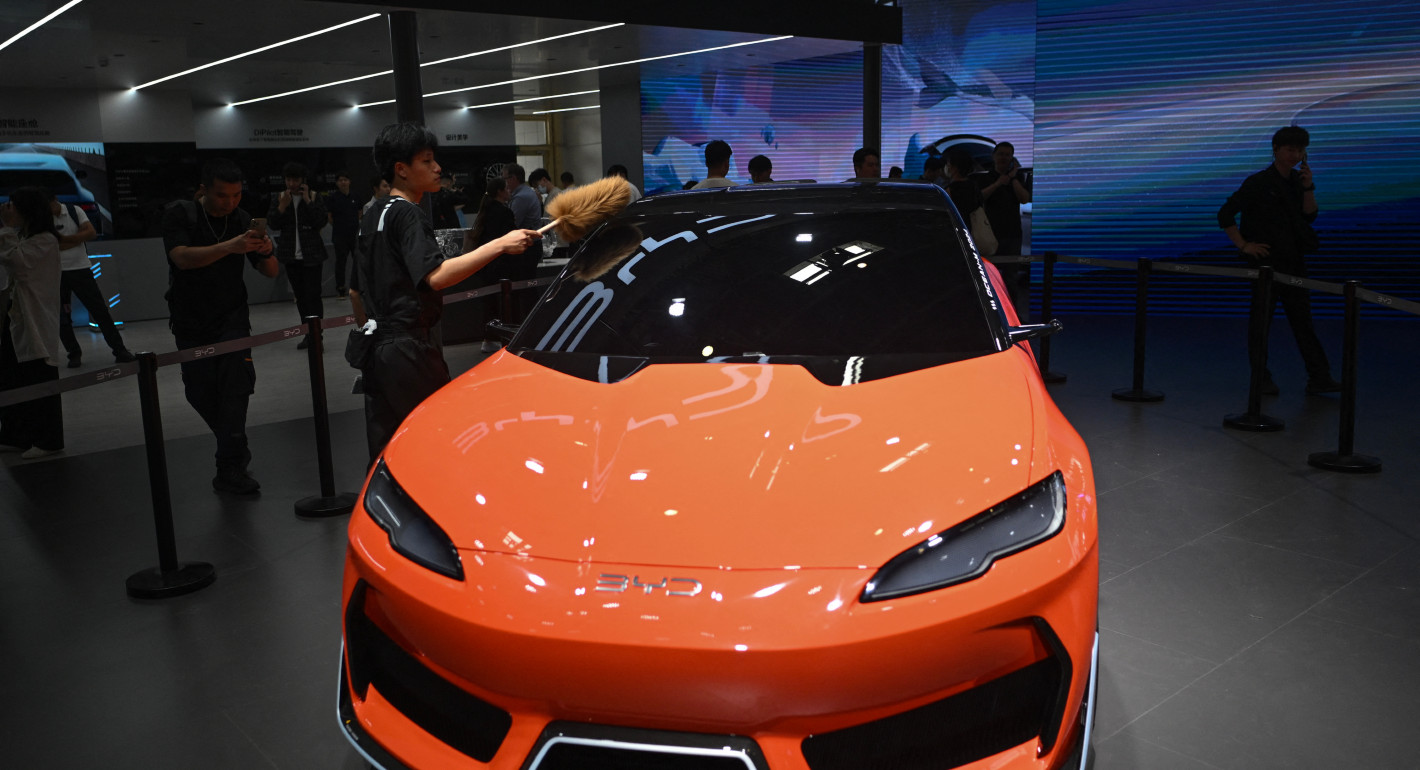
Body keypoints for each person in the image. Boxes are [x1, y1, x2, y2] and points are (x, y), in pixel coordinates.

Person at [349, 123, 541, 464]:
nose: (437, 168)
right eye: (426, 161)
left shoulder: (372, 213)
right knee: (432, 442)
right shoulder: (408, 213)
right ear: (402, 170)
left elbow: (355, 292)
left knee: (386, 452)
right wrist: (500, 244)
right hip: (408, 347)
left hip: (377, 349)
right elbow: (436, 277)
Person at [162, 159, 278, 494]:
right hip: (190, 318)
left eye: (236, 194)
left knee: (235, 390)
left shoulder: (242, 220)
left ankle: (230, 465)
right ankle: (234, 448)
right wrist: (232, 246)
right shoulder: (181, 214)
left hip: (232, 319)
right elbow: (181, 258)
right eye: (221, 195)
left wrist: (267, 249)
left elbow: (270, 271)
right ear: (203, 190)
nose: (230, 202)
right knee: (198, 391)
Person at [1218, 125, 1339, 395]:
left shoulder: (1298, 181)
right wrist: (1244, 245)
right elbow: (1225, 214)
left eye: (1299, 150)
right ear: (1276, 149)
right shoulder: (1258, 182)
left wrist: (1308, 186)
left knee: (1303, 322)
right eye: (1290, 149)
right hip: (1265, 264)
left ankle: (1319, 376)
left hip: (1294, 260)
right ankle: (1261, 377)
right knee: (1261, 325)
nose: (1295, 155)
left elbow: (1309, 216)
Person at [0, 187, 64, 459]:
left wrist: (4, 229)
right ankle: (17, 435)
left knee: (39, 377)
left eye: (11, 205)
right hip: (18, 320)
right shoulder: (25, 236)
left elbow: (18, 263)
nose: (6, 209)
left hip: (35, 320)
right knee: (12, 377)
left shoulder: (45, 240)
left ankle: (49, 439)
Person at [49, 193, 133, 366]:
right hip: (55, 272)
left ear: (54, 200)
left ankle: (119, 349)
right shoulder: (41, 217)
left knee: (100, 311)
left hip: (80, 268)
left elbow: (91, 233)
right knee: (62, 317)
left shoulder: (73, 210)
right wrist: (77, 239)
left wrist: (63, 240)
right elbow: (48, 245)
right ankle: (74, 354)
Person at [267, 162, 327, 349]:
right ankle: (307, 334)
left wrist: (308, 200)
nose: (292, 183)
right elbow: (273, 223)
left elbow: (321, 221)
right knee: (300, 297)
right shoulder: (279, 198)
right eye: (289, 179)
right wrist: (282, 207)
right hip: (290, 256)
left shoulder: (314, 197)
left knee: (313, 296)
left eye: (295, 179)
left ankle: (317, 336)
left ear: (303, 180)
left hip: (312, 255)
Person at [974, 141, 1032, 312]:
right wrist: (999, 182)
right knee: (988, 277)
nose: (1004, 158)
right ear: (994, 156)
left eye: (1008, 155)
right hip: (990, 235)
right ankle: (989, 314)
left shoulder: (1017, 178)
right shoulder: (984, 177)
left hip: (1013, 233)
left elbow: (1024, 199)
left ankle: (1012, 315)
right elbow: (980, 197)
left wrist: (1012, 178)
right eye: (1001, 154)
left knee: (1011, 279)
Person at [325, 171, 360, 297]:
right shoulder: (333, 198)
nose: (343, 182)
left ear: (349, 181)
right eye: (340, 180)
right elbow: (329, 217)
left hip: (354, 234)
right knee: (341, 262)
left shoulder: (355, 196)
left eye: (345, 180)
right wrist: (340, 226)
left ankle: (359, 286)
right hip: (339, 235)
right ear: (337, 183)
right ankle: (341, 288)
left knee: (358, 261)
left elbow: (359, 213)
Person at [502, 163, 542, 230]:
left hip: (528, 239)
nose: (504, 183)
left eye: (504, 179)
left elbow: (511, 225)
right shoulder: (525, 191)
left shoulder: (521, 197)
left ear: (513, 178)